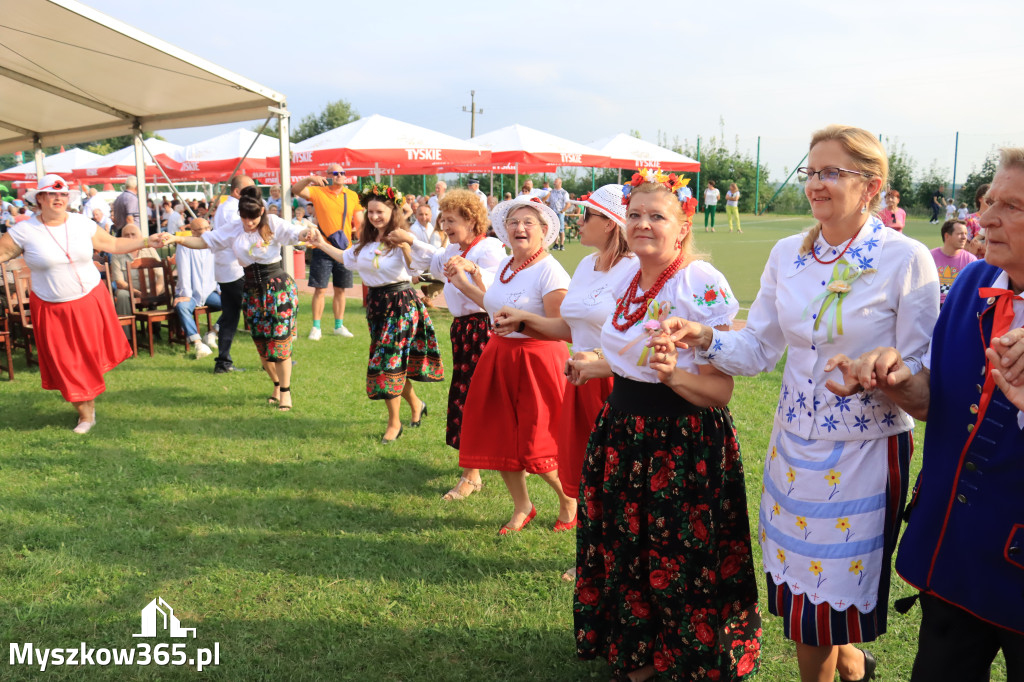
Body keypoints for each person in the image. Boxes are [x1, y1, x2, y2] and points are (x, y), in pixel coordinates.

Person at [661, 126, 939, 682]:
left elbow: (924, 376)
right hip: (792, 445)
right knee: (801, 592)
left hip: (863, 453)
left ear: (871, 187)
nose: (816, 183)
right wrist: (705, 337)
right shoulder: (787, 253)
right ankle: (856, 666)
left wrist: (881, 374)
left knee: (830, 599)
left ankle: (842, 666)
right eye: (811, 171)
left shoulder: (905, 259)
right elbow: (760, 346)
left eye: (832, 172)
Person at [829, 146, 1024, 681]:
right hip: (956, 555)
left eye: (1012, 206)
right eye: (989, 202)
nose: (984, 219)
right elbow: (936, 399)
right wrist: (892, 377)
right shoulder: (969, 285)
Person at [571, 170, 761, 681]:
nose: (642, 224)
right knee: (627, 546)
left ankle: (683, 655)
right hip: (624, 431)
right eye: (634, 215)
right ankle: (637, 653)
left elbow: (720, 391)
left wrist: (673, 375)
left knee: (678, 554)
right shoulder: (630, 275)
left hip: (681, 440)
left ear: (683, 226)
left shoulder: (699, 282)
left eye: (657, 216)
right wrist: (600, 364)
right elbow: (632, 356)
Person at [491, 184, 634, 580]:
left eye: (587, 215)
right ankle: (593, 557)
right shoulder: (588, 265)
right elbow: (570, 328)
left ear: (609, 224)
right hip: (581, 380)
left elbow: (640, 335)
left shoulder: (634, 268)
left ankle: (615, 560)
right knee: (587, 474)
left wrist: (601, 359)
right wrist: (524, 319)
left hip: (614, 381)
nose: (578, 220)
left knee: (615, 477)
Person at [0, 174, 168, 433]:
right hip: (50, 306)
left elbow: (112, 243)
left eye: (63, 194)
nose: (58, 198)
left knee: (87, 357)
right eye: (52, 194)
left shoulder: (82, 223)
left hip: (90, 299)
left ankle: (87, 404)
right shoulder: (24, 231)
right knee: (66, 361)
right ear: (40, 199)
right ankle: (86, 415)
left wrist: (147, 241)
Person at [455, 196, 575, 534]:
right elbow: (494, 306)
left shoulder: (550, 270)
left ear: (544, 230)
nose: (519, 228)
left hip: (538, 361)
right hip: (499, 356)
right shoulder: (507, 265)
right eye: (513, 222)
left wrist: (522, 325)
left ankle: (568, 500)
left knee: (538, 443)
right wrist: (463, 284)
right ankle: (523, 506)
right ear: (504, 229)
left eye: (528, 223)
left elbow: (560, 327)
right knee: (501, 436)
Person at [167, 186, 317, 411]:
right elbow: (204, 242)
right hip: (252, 291)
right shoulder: (233, 229)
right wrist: (176, 238)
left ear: (262, 211)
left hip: (277, 288)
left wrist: (307, 233)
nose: (249, 223)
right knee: (263, 346)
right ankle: (276, 386)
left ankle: (286, 393)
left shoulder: (273, 223)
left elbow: (297, 234)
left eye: (253, 218)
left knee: (280, 344)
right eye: (245, 218)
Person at [313, 184, 443, 443]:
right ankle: (416, 404)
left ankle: (394, 423)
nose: (374, 216)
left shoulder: (402, 238)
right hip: (377, 306)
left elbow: (421, 266)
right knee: (391, 363)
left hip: (401, 305)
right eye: (370, 211)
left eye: (379, 211)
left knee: (387, 364)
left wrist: (407, 245)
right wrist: (320, 243)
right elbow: (346, 257)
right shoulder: (366, 243)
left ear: (392, 210)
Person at [425, 189, 505, 500]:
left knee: (475, 398)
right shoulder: (455, 249)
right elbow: (431, 261)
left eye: (451, 220)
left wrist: (470, 271)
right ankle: (481, 465)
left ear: (471, 220)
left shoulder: (488, 248)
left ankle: (472, 474)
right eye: (442, 219)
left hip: (482, 330)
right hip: (463, 331)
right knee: (468, 394)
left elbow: (494, 285)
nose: (444, 226)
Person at [291, 165, 363, 340]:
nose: (339, 176)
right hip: (321, 246)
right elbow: (295, 190)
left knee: (341, 289)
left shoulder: (351, 195)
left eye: (342, 173)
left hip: (343, 248)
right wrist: (310, 178)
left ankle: (339, 325)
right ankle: (316, 327)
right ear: (328, 176)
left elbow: (359, 222)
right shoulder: (319, 192)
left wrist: (362, 242)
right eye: (335, 173)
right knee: (320, 289)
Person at [210, 174, 254, 374]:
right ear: (237, 192)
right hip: (235, 269)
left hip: (226, 268)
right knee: (255, 313)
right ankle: (271, 358)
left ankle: (223, 362)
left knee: (230, 317)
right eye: (249, 190)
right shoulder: (233, 210)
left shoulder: (225, 207)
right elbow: (245, 236)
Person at [172, 217, 221, 359]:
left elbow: (218, 268)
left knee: (233, 304)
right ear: (192, 231)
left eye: (208, 228)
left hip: (210, 292)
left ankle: (212, 333)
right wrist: (186, 294)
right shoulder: (184, 245)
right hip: (190, 292)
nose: (206, 231)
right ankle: (198, 343)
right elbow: (184, 270)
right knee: (182, 307)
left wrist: (220, 289)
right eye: (202, 229)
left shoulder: (214, 244)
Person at [109, 221, 164, 318]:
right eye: (126, 235)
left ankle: (174, 328)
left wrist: (155, 292)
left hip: (152, 289)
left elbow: (161, 275)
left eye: (133, 234)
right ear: (121, 238)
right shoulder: (117, 254)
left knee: (174, 289)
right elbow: (119, 282)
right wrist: (137, 293)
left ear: (140, 237)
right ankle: (126, 331)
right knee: (122, 294)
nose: (130, 238)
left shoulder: (150, 250)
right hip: (130, 290)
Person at [932, 218, 977, 305]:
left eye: (966, 234)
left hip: (958, 304)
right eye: (960, 234)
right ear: (947, 236)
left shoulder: (970, 260)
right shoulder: (930, 256)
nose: (964, 237)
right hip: (933, 304)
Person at [546, 177, 570, 251]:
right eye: (554, 182)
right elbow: (548, 202)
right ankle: (555, 244)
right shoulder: (551, 192)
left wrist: (562, 211)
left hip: (560, 213)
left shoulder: (564, 193)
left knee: (561, 229)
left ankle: (562, 245)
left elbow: (568, 204)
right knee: (554, 229)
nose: (554, 183)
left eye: (555, 182)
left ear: (560, 183)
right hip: (553, 213)